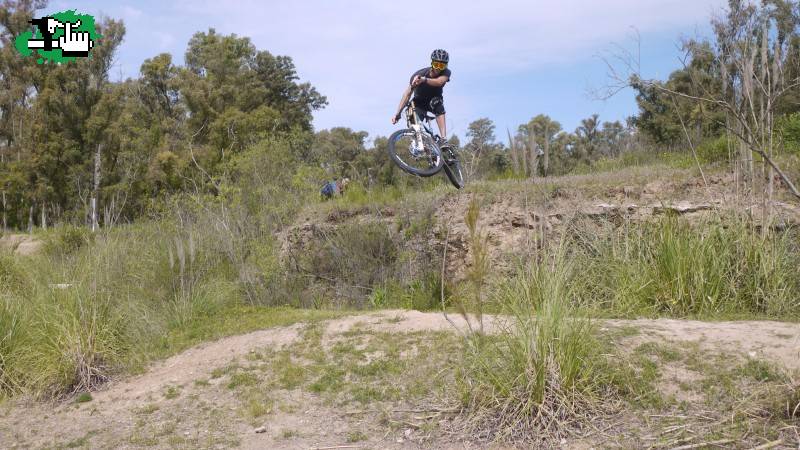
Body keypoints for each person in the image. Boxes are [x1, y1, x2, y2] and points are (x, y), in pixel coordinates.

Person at [391, 49, 452, 149]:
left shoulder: (446, 73)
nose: (438, 68)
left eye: (442, 66)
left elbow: (439, 82)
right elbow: (407, 95)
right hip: (419, 103)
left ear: (445, 66)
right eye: (436, 64)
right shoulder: (419, 74)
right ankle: (423, 146)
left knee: (436, 103)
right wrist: (397, 114)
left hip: (434, 100)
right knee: (413, 120)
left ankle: (443, 139)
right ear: (432, 63)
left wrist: (424, 80)